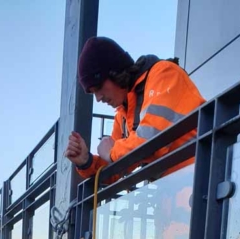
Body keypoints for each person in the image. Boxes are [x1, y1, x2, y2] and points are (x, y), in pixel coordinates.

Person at [65, 36, 205, 179]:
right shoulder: (123, 115)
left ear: (115, 72)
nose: (98, 98)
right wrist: (86, 162)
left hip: (202, 183)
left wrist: (111, 152)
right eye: (93, 93)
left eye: (99, 87)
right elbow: (117, 168)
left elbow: (151, 143)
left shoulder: (164, 74)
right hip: (177, 192)